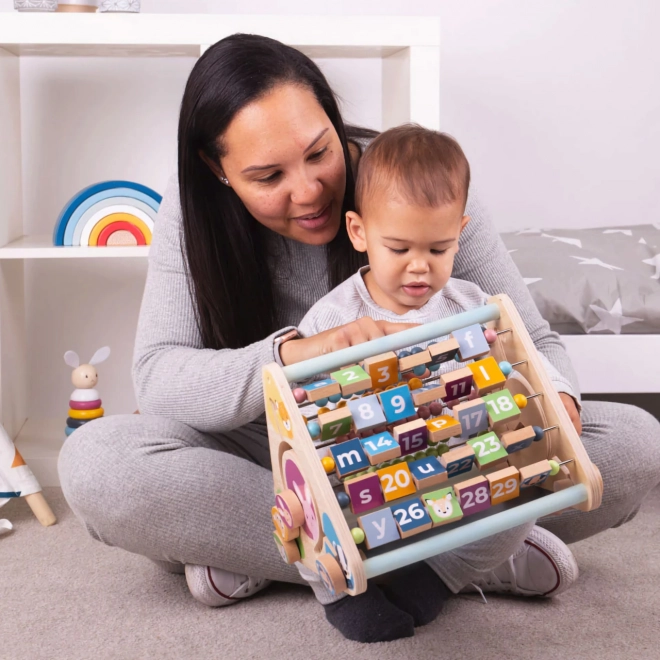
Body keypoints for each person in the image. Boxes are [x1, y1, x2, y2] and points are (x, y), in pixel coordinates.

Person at [57, 34, 660, 644]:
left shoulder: (422, 189)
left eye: (319, 152)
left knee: (632, 442)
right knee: (98, 463)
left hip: (438, 451)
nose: (310, 190)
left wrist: (559, 409)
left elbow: (535, 340)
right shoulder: (191, 213)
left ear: (332, 117)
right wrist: (297, 353)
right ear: (218, 171)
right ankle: (466, 558)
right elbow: (160, 378)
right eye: (268, 176)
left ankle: (286, 557)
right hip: (279, 460)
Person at [293, 123, 584, 634]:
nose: (419, 269)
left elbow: (526, 353)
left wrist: (558, 394)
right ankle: (341, 591)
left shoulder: (473, 305)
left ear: (460, 232)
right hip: (368, 475)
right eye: (399, 249)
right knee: (319, 510)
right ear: (359, 233)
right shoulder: (330, 319)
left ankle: (440, 576)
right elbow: (307, 413)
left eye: (438, 249)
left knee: (519, 493)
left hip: (462, 466)